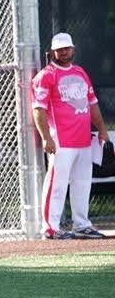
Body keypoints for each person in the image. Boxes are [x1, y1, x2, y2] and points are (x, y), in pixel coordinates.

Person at [31, 32, 110, 239]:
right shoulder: (46, 76)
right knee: (57, 184)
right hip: (61, 141)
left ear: (73, 49)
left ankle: (81, 225)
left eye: (67, 48)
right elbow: (38, 109)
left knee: (82, 184)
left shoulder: (80, 72)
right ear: (53, 52)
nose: (64, 52)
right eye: (60, 50)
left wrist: (102, 129)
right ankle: (51, 228)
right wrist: (46, 137)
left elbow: (92, 103)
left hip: (84, 139)